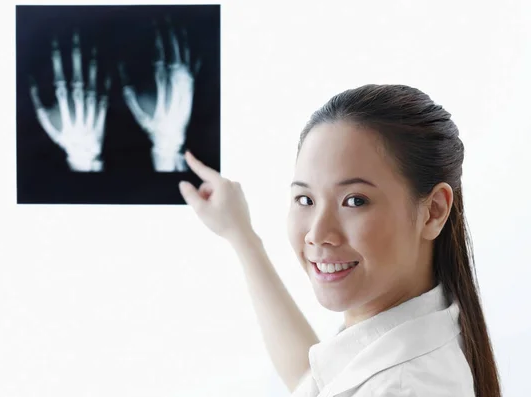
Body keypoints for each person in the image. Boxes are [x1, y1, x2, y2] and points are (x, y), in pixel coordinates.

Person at [178, 84, 502, 397]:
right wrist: (240, 233)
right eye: (305, 199)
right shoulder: (399, 335)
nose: (317, 234)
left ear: (433, 211)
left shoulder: (404, 386)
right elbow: (313, 382)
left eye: (355, 201)